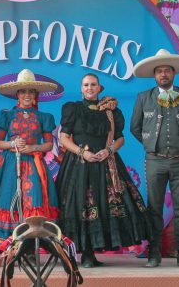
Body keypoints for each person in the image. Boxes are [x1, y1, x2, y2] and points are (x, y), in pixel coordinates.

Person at [56, 73, 150, 268]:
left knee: (105, 205)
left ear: (100, 88)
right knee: (82, 205)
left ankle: (94, 252)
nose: (89, 88)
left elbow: (120, 138)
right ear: (81, 89)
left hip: (106, 163)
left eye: (93, 84)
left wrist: (109, 151)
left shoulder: (111, 111)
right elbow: (63, 138)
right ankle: (85, 254)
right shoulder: (73, 109)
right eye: (86, 85)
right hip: (79, 165)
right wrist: (82, 153)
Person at [130, 49, 179, 267]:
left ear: (174, 73)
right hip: (155, 160)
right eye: (159, 71)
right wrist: (150, 144)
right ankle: (154, 254)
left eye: (167, 71)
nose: (163, 75)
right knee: (154, 208)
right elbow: (135, 127)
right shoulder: (144, 97)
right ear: (154, 75)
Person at [0, 69, 59, 252]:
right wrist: (12, 143)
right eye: (23, 91)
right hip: (10, 163)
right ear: (17, 94)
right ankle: (11, 246)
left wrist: (33, 148)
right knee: (8, 198)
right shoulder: (7, 115)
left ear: (35, 95)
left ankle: (30, 245)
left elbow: (49, 145)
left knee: (33, 200)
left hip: (34, 164)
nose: (27, 95)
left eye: (30, 91)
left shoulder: (44, 117)